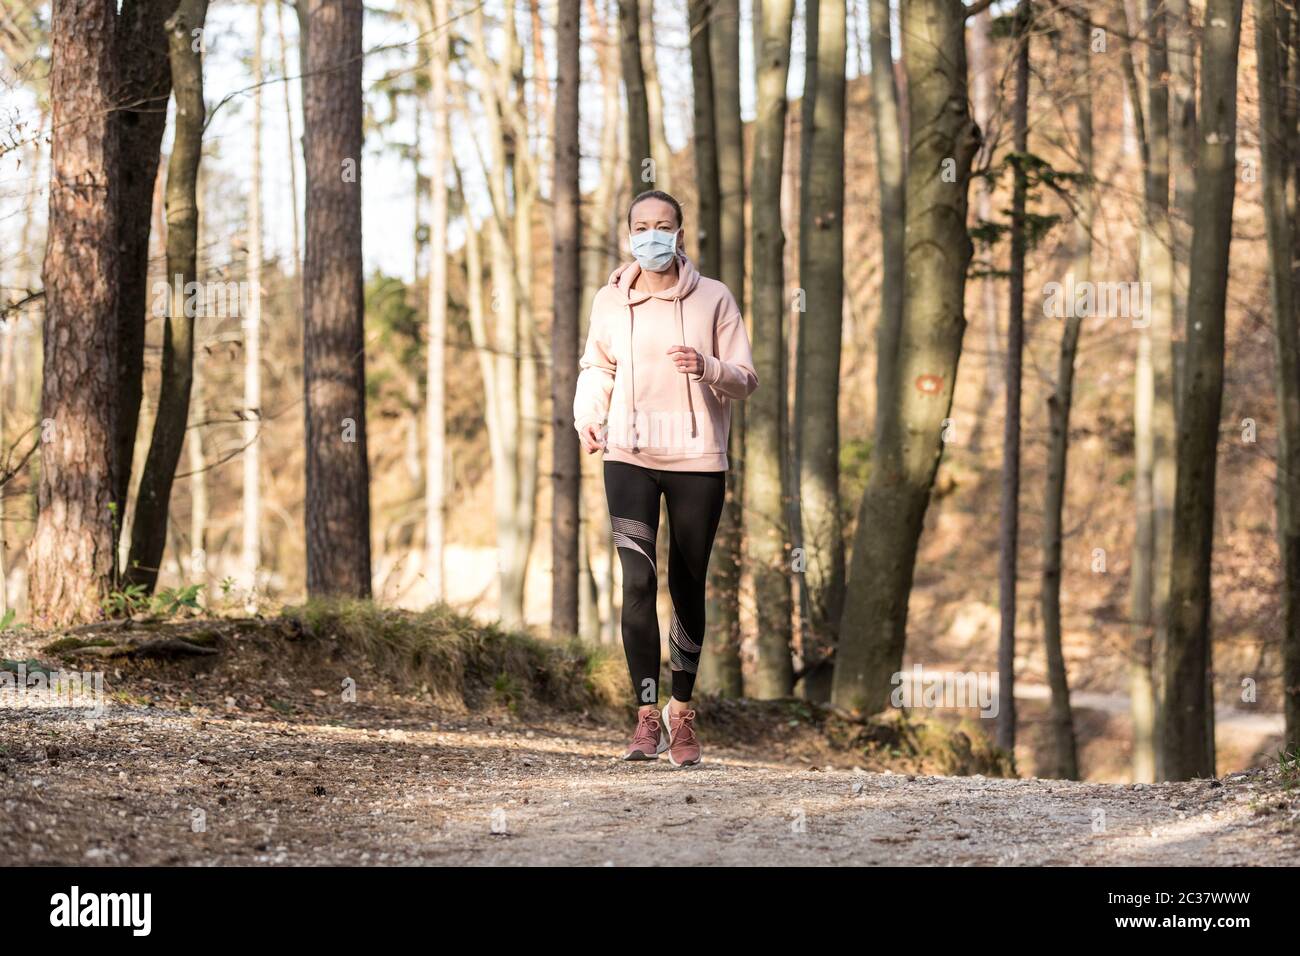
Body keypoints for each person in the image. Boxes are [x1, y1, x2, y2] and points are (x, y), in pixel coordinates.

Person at [573, 189, 758, 767]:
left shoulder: (714, 299)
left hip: (697, 459)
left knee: (686, 587)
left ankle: (682, 712)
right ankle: (645, 716)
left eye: (664, 225)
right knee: (636, 583)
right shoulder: (610, 300)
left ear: (680, 232)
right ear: (628, 233)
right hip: (628, 454)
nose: (652, 234)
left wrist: (707, 366)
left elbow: (747, 379)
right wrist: (588, 417)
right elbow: (597, 366)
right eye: (641, 225)